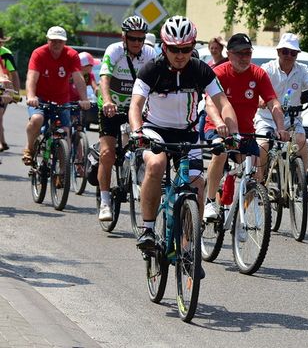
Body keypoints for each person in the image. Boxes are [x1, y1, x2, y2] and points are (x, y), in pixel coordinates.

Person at [129, 16, 239, 252]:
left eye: (186, 49)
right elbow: (135, 105)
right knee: (156, 165)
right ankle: (148, 229)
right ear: (164, 47)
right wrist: (138, 131)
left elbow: (223, 103)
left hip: (187, 134)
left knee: (196, 185)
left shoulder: (200, 69)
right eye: (174, 49)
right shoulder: (152, 70)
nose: (180, 55)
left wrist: (233, 133)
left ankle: (189, 247)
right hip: (154, 130)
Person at [203, 33, 289, 221]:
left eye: (248, 53)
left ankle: (239, 214)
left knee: (257, 171)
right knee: (221, 152)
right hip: (218, 128)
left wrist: (281, 128)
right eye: (239, 54)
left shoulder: (258, 74)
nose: (244, 58)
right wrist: (219, 123)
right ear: (229, 54)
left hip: (245, 132)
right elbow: (209, 103)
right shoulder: (219, 73)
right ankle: (209, 201)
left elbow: (273, 103)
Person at [97, 16, 156, 221]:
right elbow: (104, 77)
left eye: (141, 39)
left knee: (144, 147)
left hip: (135, 108)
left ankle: (137, 176)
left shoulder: (149, 53)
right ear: (124, 37)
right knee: (107, 153)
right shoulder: (114, 50)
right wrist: (106, 101)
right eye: (133, 38)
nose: (137, 43)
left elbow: (156, 81)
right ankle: (105, 202)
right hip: (111, 106)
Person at [254, 32, 308, 180]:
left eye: (293, 53)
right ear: (278, 52)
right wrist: (261, 99)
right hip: (268, 118)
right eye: (285, 51)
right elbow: (258, 88)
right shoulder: (267, 68)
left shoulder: (303, 70)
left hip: (291, 119)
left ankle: (302, 182)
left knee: (300, 140)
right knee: (262, 146)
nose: (288, 55)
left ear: (297, 55)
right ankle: (258, 183)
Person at [23, 26, 91, 165]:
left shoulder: (71, 55)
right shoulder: (39, 53)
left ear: (64, 42)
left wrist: (84, 99)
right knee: (36, 119)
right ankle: (29, 148)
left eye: (60, 41)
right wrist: (31, 96)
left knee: (65, 132)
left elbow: (78, 78)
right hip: (40, 98)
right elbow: (31, 77)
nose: (56, 44)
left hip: (61, 99)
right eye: (53, 40)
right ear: (47, 40)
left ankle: (61, 172)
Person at [0, 28, 20, 152]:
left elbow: (14, 73)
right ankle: (2, 140)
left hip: (3, 86)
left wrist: (16, 92)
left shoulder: (6, 53)